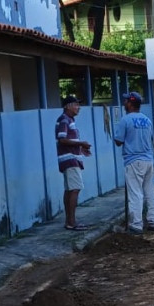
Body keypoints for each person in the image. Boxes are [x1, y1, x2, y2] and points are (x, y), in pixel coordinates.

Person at [113, 91, 154, 235]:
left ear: (130, 103)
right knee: (149, 192)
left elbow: (119, 141)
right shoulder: (147, 120)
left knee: (135, 193)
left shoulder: (125, 120)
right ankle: (153, 221)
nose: (124, 103)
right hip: (148, 160)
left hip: (133, 161)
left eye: (126, 101)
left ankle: (136, 225)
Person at [55, 95, 91, 231]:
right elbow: (62, 140)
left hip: (69, 157)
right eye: (76, 104)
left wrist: (80, 148)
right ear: (67, 106)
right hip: (69, 159)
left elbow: (67, 141)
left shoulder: (68, 120)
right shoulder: (64, 120)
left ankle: (69, 221)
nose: (78, 107)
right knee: (75, 189)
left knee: (70, 189)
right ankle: (71, 222)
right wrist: (81, 143)